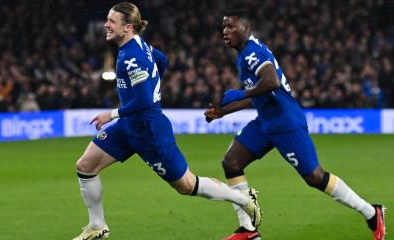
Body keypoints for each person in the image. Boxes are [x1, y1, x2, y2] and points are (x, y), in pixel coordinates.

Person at [73, 3, 262, 240]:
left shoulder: (132, 57)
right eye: (107, 19)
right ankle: (97, 226)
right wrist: (154, 85)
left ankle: (243, 198)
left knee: (186, 185)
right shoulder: (134, 46)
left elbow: (143, 102)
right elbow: (161, 60)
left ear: (128, 27)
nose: (106, 25)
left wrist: (110, 114)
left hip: (150, 133)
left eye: (112, 21)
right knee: (85, 166)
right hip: (129, 126)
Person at [205, 8, 386, 240]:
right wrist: (223, 112)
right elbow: (256, 95)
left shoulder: (252, 52)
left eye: (231, 26)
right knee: (231, 163)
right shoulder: (243, 55)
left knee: (315, 177)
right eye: (223, 27)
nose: (225, 31)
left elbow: (272, 81)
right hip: (266, 121)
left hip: (285, 121)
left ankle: (371, 213)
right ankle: (248, 230)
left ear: (246, 29)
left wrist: (240, 93)